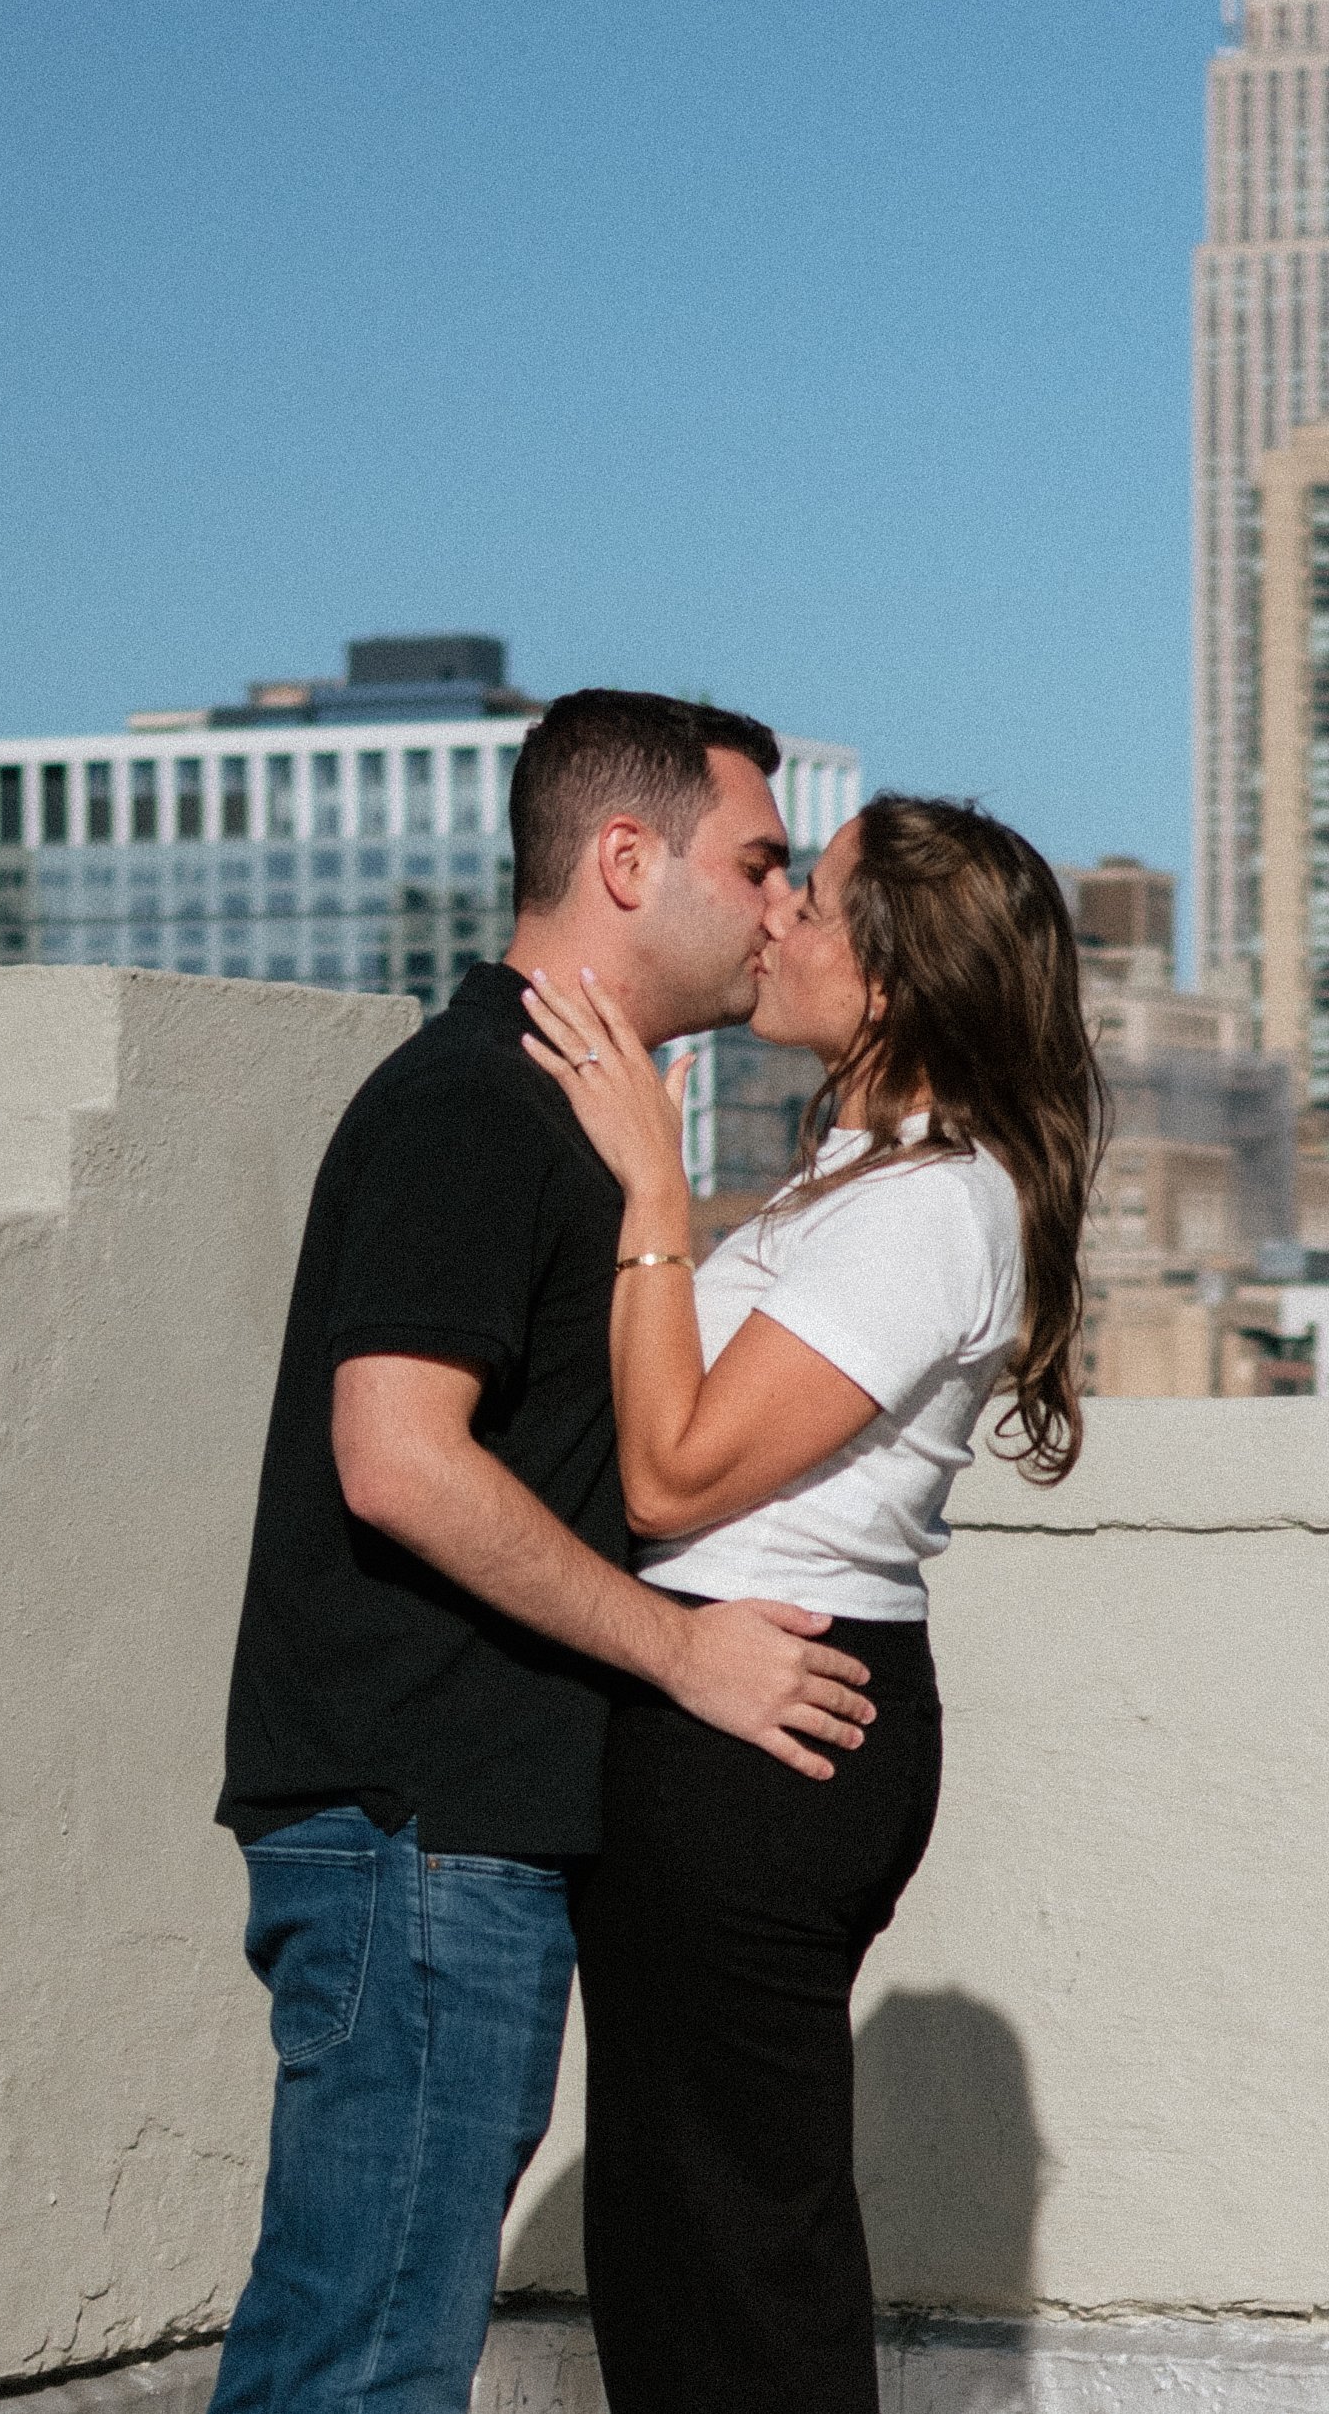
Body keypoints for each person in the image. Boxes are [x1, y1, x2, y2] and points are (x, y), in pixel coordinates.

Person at [207, 690, 880, 2414]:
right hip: (415, 1833)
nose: (782, 907)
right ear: (627, 860)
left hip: (451, 1840)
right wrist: (680, 1652)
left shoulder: (571, 1121)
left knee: (364, 2347)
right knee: (358, 2366)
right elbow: (398, 1458)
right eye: (757, 862)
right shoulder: (477, 1105)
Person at [520, 790, 1102, 2414]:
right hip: (721, 1709)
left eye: (818, 901)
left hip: (768, 1723)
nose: (774, 917)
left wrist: (652, 1187)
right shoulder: (857, 1180)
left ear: (896, 981)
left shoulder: (933, 1206)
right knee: (671, 2216)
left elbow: (677, 1473)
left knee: (736, 2237)